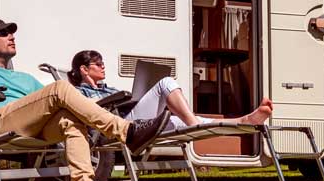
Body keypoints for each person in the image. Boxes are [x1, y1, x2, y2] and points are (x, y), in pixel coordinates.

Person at [0, 19, 169, 181]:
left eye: (12, 33)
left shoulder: (24, 78)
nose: (11, 36)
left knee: (71, 119)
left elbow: (59, 100)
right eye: (3, 33)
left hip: (34, 126)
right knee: (60, 88)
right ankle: (128, 131)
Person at [70, 50, 273, 130]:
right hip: (122, 125)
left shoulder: (109, 88)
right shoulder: (80, 92)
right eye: (98, 64)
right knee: (166, 83)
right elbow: (90, 112)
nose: (103, 66)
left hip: (134, 118)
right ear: (84, 69)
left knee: (183, 119)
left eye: (103, 63)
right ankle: (195, 127)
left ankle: (245, 120)